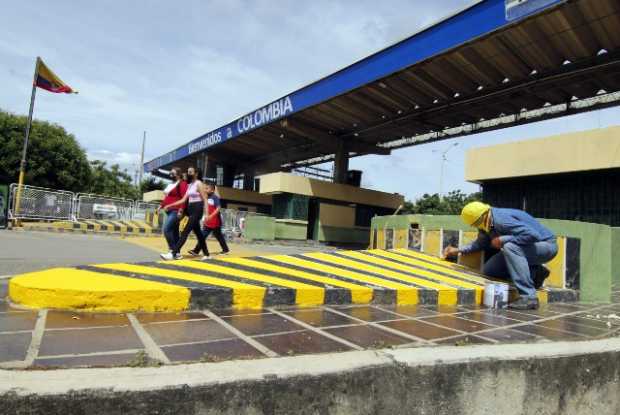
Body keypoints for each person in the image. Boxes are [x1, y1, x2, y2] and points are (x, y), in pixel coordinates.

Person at [443, 201, 557, 310]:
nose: (476, 227)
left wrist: (503, 239)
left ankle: (529, 297)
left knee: (510, 247)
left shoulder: (501, 220)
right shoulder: (486, 223)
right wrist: (457, 250)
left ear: (483, 215)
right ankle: (536, 272)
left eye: (476, 223)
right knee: (490, 270)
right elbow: (480, 243)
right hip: (525, 249)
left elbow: (533, 235)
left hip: (546, 246)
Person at [160, 167, 208, 260]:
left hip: (197, 209)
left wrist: (206, 214)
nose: (188, 173)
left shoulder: (199, 183)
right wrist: (169, 205)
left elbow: (205, 199)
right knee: (199, 234)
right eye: (188, 171)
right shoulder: (190, 185)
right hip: (190, 209)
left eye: (190, 172)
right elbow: (183, 200)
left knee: (184, 232)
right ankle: (207, 254)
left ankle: (174, 253)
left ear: (196, 174)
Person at [188, 182, 229, 259]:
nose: (205, 189)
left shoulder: (214, 197)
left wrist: (211, 216)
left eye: (207, 188)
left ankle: (196, 251)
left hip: (215, 221)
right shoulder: (206, 197)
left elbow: (218, 208)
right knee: (216, 236)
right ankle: (225, 249)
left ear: (212, 190)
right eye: (205, 188)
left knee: (210, 236)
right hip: (209, 221)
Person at [157, 167, 187, 253]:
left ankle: (173, 250)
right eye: (170, 173)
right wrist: (161, 206)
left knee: (166, 230)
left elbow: (184, 198)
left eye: (173, 173)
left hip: (176, 210)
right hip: (168, 211)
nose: (170, 175)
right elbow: (167, 197)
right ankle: (177, 253)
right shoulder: (171, 184)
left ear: (178, 174)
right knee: (174, 232)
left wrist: (181, 210)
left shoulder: (182, 183)